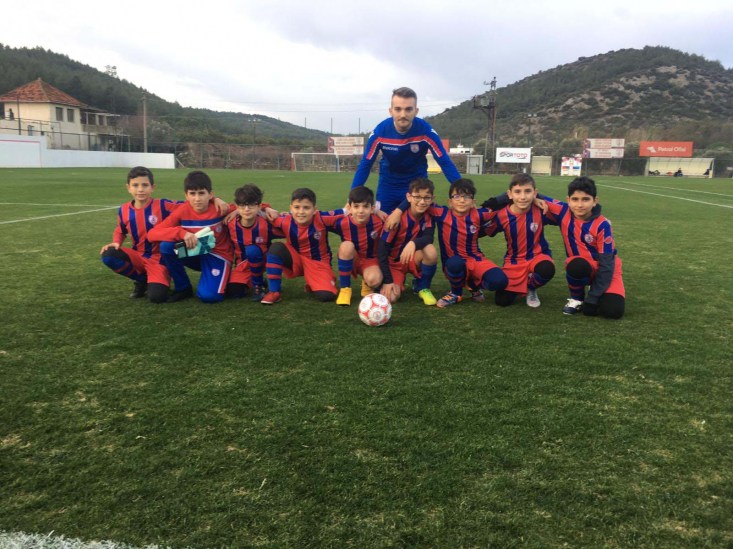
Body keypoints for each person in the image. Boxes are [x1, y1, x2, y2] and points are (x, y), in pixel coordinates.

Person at [390, 178, 509, 308]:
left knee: (500, 281)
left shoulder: (480, 214)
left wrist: (524, 196)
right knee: (455, 263)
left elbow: (499, 202)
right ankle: (455, 293)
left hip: (476, 260)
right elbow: (418, 199)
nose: (462, 200)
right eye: (457, 196)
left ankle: (473, 285)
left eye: (467, 197)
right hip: (452, 263)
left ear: (473, 202)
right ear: (450, 201)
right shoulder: (441, 213)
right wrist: (398, 211)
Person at [351, 87, 461, 214]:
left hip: (417, 189)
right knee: (385, 224)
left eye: (408, 109)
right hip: (388, 187)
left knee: (417, 226)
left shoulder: (426, 132)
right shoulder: (379, 133)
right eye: (398, 109)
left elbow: (444, 161)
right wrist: (352, 197)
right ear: (390, 111)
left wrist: (462, 192)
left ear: (416, 111)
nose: (403, 115)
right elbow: (366, 164)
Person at [99, 166, 188, 303]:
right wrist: (116, 242)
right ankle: (142, 280)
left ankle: (159, 278)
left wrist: (215, 200)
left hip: (159, 259)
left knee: (157, 297)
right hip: (138, 255)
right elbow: (120, 230)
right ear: (128, 188)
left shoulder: (163, 205)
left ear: (152, 187)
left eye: (145, 185)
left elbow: (191, 204)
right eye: (135, 185)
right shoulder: (124, 210)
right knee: (108, 255)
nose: (140, 189)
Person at [543, 176, 625, 319]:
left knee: (613, 312)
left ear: (595, 201)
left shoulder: (603, 225)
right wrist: (536, 200)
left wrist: (593, 298)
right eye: (575, 199)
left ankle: (595, 290)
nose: (580, 205)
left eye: (586, 199)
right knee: (576, 265)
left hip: (605, 269)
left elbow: (607, 264)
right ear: (568, 200)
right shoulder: (563, 211)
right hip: (581, 266)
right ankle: (577, 299)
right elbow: (529, 194)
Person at [148, 171, 235, 303]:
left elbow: (248, 207)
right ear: (186, 195)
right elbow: (152, 234)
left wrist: (265, 208)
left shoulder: (220, 208)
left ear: (210, 194)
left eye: (201, 193)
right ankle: (183, 288)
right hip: (195, 252)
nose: (197, 198)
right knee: (167, 247)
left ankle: (225, 277)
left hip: (217, 255)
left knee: (209, 297)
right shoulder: (182, 210)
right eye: (192, 194)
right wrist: (181, 233)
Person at [480, 173, 555, 308]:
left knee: (546, 268)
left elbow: (566, 213)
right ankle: (520, 281)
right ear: (509, 194)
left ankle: (531, 288)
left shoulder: (541, 209)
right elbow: (483, 231)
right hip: (514, 261)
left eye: (528, 191)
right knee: (502, 301)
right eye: (517, 192)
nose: (523, 197)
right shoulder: (502, 215)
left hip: (538, 256)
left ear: (535, 193)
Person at [261, 188, 344, 304]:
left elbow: (347, 210)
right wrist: (265, 207)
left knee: (326, 296)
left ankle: (314, 282)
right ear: (291, 208)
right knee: (276, 248)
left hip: (318, 264)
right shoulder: (284, 220)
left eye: (306, 208)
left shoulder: (322, 218)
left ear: (314, 210)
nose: (301, 212)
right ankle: (274, 292)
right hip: (296, 260)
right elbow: (256, 212)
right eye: (297, 207)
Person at [378, 177, 439, 305]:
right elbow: (382, 251)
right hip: (394, 263)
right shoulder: (395, 218)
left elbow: (429, 237)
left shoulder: (429, 214)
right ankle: (394, 280)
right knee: (391, 298)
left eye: (426, 198)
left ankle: (423, 287)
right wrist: (388, 280)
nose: (422, 202)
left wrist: (413, 243)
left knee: (430, 250)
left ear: (432, 199)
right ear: (409, 197)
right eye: (417, 197)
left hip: (412, 258)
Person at [226, 184, 283, 302]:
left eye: (251, 205)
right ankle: (259, 280)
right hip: (243, 265)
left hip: (263, 261)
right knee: (234, 292)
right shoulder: (230, 223)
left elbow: (289, 229)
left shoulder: (266, 222)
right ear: (237, 207)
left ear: (259, 206)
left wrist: (270, 210)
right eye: (243, 205)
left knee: (252, 250)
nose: (247, 209)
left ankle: (259, 286)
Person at [332, 186, 384, 306]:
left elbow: (397, 221)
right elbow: (319, 218)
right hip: (352, 258)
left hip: (370, 261)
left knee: (375, 280)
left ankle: (366, 282)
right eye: (356, 206)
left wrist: (379, 211)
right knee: (346, 246)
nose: (361, 211)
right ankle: (345, 289)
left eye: (365, 206)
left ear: (372, 208)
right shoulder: (342, 222)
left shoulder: (380, 221)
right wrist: (290, 215)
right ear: (349, 208)